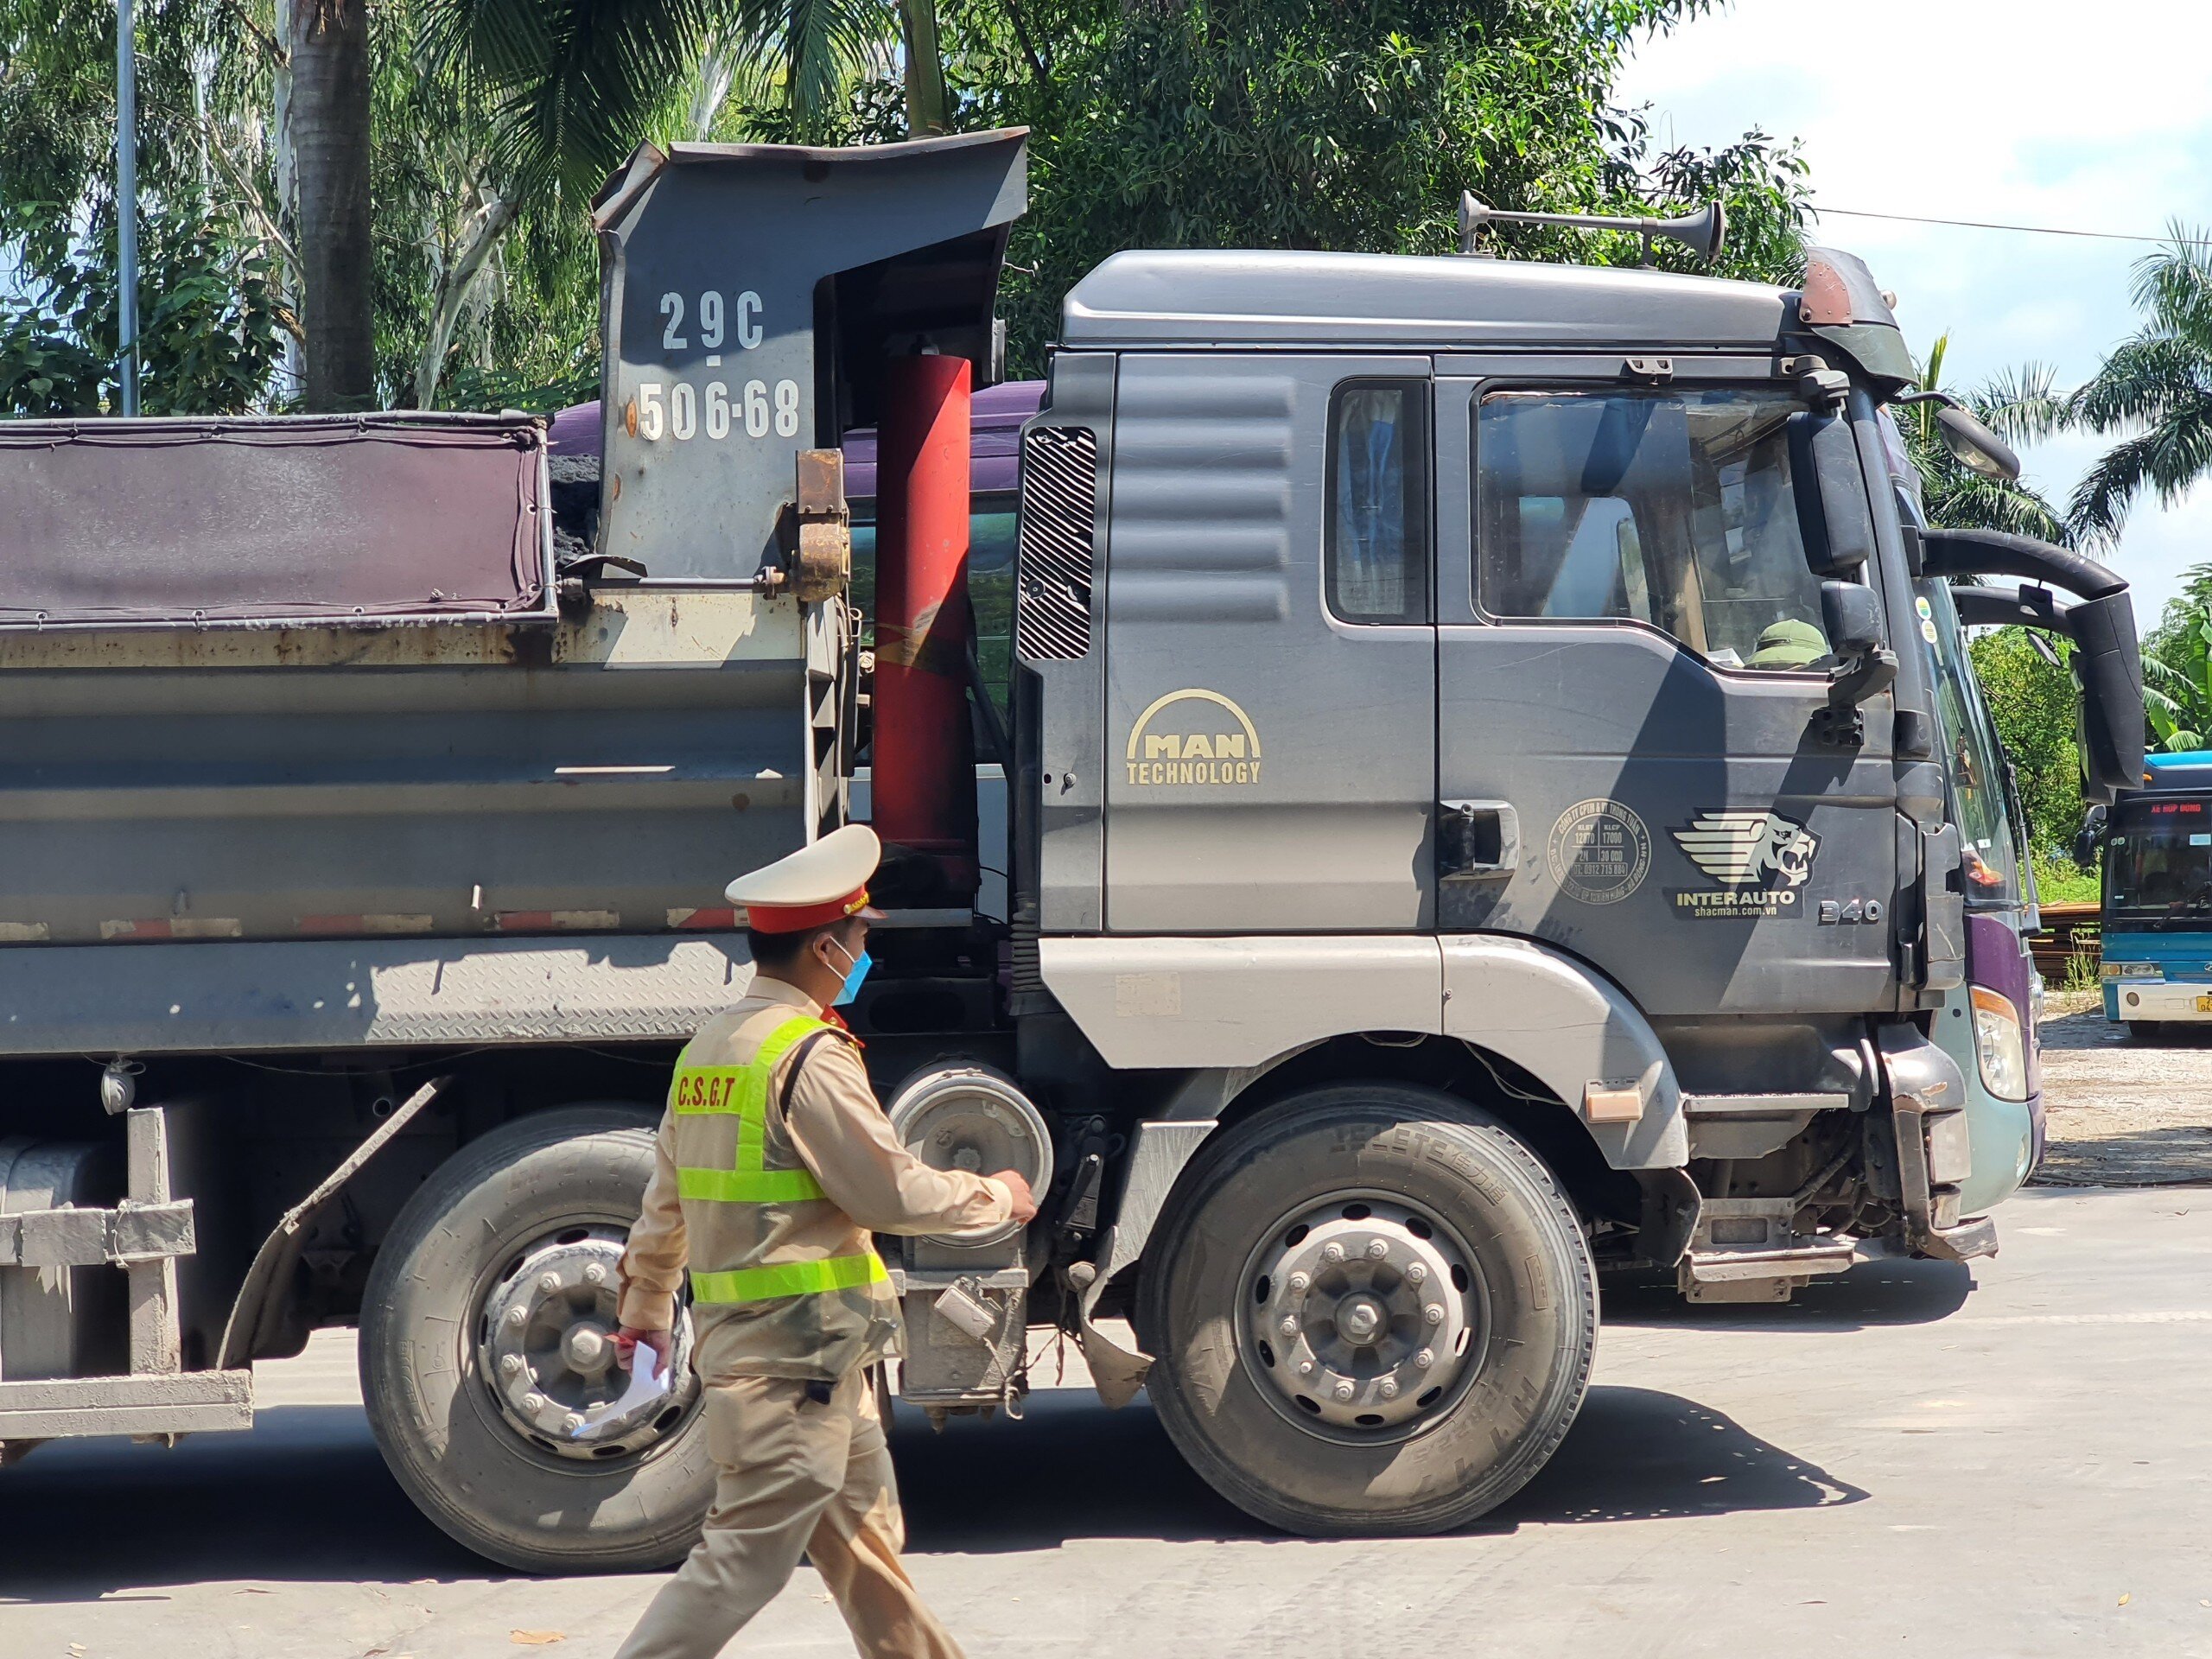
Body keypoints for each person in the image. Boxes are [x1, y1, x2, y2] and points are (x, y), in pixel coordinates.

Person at [611, 823, 1039, 1659]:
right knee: (744, 1563)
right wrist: (999, 1196)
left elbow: (667, 1202)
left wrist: (649, 1303)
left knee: (870, 1554)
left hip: (820, 1361)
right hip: (791, 1369)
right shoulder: (808, 1057)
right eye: (860, 936)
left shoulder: (712, 1048)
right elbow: (889, 1193)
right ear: (825, 948)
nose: (864, 949)